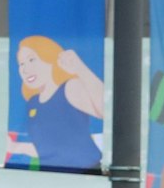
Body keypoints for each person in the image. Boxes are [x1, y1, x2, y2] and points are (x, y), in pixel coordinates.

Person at [7, 35, 105, 171]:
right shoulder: (33, 103)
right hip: (52, 177)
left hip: (86, 172)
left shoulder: (70, 88)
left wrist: (80, 69)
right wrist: (15, 147)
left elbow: (104, 110)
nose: (25, 69)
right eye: (21, 64)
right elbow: (46, 148)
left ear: (49, 57)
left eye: (31, 60)